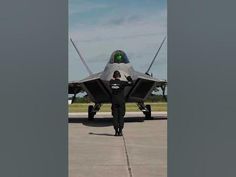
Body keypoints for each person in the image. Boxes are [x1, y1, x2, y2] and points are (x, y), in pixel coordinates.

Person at [109, 70, 133, 136]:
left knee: (115, 116)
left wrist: (113, 79)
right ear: (119, 76)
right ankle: (120, 131)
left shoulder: (111, 82)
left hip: (114, 102)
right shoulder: (122, 83)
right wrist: (127, 76)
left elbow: (112, 82)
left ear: (114, 76)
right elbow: (131, 83)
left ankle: (116, 132)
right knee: (121, 116)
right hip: (121, 102)